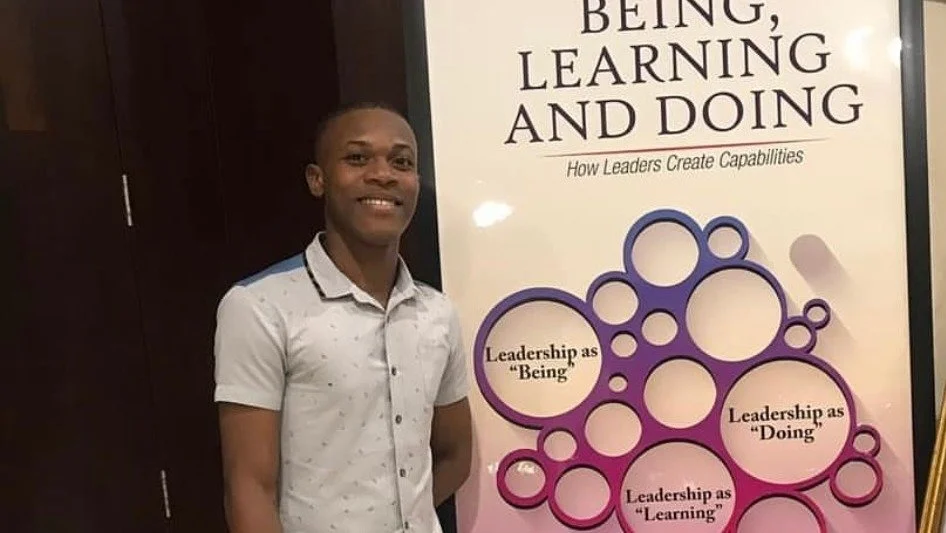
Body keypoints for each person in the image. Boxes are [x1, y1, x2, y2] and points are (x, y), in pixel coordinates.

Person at [212, 101, 473, 533]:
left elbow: (455, 454)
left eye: (401, 161)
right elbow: (248, 487)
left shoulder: (437, 314)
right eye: (357, 158)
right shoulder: (261, 307)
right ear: (318, 179)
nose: (383, 174)